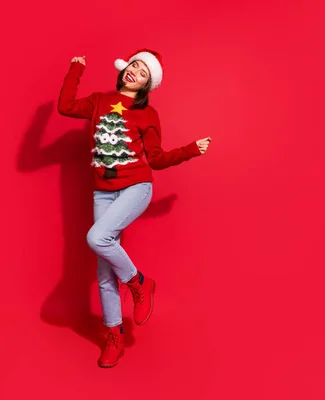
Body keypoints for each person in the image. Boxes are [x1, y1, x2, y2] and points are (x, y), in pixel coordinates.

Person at [57, 49, 212, 368]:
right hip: (103, 192)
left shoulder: (147, 114)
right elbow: (66, 107)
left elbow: (155, 158)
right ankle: (114, 334)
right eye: (133, 66)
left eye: (143, 72)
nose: (135, 72)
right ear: (124, 69)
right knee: (103, 270)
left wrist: (190, 151)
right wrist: (76, 69)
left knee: (96, 238)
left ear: (146, 85)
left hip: (136, 187)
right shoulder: (99, 100)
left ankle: (139, 282)